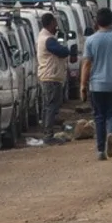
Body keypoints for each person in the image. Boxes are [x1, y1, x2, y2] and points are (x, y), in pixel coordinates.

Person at [80, 6, 112, 161]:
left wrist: (83, 84)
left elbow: (87, 64)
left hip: (96, 86)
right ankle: (111, 133)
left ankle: (101, 150)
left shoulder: (91, 40)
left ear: (97, 21)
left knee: (99, 117)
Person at [35, 12, 77, 141]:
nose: (57, 25)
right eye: (55, 22)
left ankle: (46, 132)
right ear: (51, 23)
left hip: (47, 76)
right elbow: (61, 52)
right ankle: (48, 134)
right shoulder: (48, 39)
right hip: (51, 77)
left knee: (48, 105)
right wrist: (69, 50)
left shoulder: (43, 37)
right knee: (51, 106)